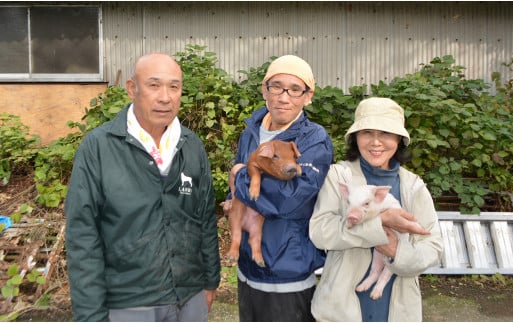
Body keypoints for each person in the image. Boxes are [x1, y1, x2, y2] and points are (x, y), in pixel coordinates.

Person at [65, 53, 221, 322]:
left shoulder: (191, 145)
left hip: (190, 297)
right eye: (154, 85)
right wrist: (90, 314)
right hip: (129, 303)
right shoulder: (99, 147)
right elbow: (82, 236)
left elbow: (205, 218)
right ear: (131, 88)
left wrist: (210, 281)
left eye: (174, 87)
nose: (165, 97)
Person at [309, 97, 443, 321]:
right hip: (339, 309)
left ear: (399, 139)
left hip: (398, 309)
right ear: (355, 138)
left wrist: (395, 252)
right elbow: (320, 232)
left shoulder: (413, 186)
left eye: (386, 134)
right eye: (367, 133)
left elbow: (432, 247)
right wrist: (380, 222)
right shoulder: (339, 176)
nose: (375, 142)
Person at [223, 54, 334, 321]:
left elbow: (290, 197)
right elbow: (240, 187)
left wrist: (238, 177)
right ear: (265, 89)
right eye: (276, 86)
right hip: (248, 266)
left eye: (295, 89)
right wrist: (233, 202)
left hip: (287, 270)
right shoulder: (251, 130)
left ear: (308, 96)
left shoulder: (313, 139)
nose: (284, 97)